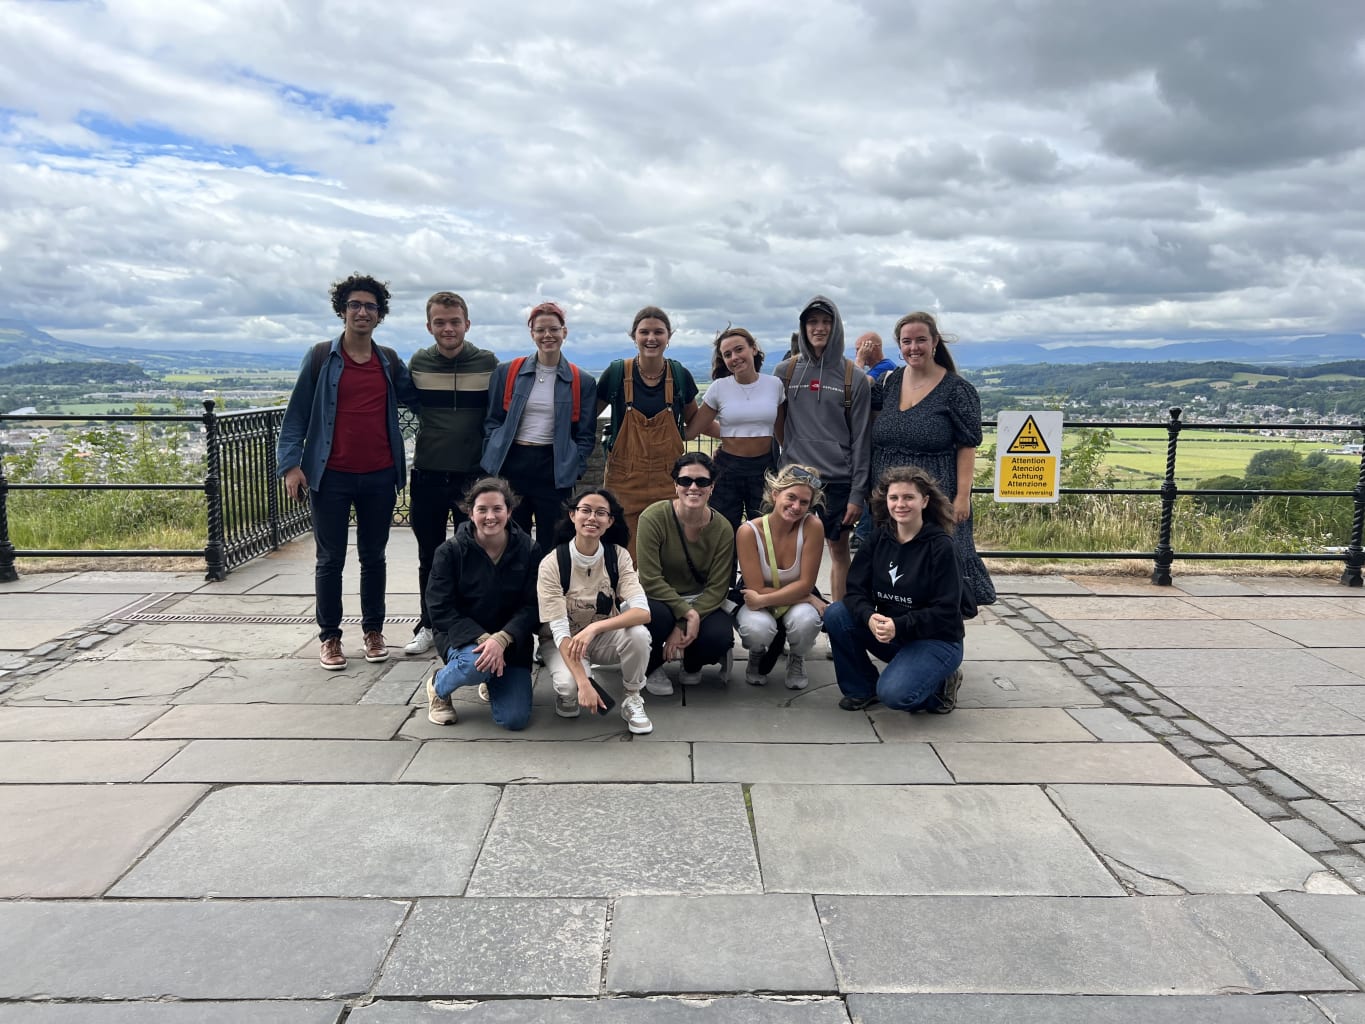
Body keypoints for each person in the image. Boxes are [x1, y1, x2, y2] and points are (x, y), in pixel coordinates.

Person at [278, 273, 417, 671]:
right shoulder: (322, 356)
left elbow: (420, 396)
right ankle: (331, 637)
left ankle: (373, 630)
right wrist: (290, 465)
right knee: (330, 559)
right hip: (330, 475)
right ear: (342, 311)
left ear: (379, 315)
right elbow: (297, 414)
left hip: (379, 474)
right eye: (355, 305)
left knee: (374, 557)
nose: (362, 311)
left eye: (370, 306)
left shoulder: (388, 360)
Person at [871, 312, 996, 607]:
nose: (913, 347)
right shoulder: (889, 383)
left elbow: (967, 445)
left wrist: (963, 496)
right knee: (896, 564)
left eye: (921, 340)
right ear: (898, 346)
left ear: (935, 342)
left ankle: (941, 632)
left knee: (940, 564)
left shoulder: (957, 390)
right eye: (906, 341)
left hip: (937, 494)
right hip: (891, 497)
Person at [825, 465, 966, 714]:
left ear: (924, 501)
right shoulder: (878, 539)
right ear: (886, 501)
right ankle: (861, 688)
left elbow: (946, 611)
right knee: (837, 613)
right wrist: (869, 617)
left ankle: (942, 686)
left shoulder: (942, 547)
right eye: (894, 498)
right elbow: (855, 591)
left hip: (935, 639)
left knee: (895, 695)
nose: (900, 504)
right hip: (892, 633)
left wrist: (898, 625)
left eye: (908, 497)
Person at [404, 292, 499, 656]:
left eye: (454, 321)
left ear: (467, 324)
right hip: (428, 472)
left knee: (474, 554)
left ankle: (471, 627)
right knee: (429, 555)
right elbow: (412, 401)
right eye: (440, 322)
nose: (448, 328)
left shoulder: (487, 363)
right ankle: (428, 623)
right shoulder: (419, 363)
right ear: (429, 326)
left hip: (473, 478)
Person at [773, 295, 872, 602]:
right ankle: (793, 622)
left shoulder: (852, 377)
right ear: (803, 327)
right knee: (788, 552)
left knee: (839, 551)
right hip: (794, 480)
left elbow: (861, 439)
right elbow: (779, 423)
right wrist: (791, 451)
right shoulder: (786, 372)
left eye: (826, 322)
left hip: (837, 481)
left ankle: (838, 625)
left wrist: (857, 493)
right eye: (812, 322)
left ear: (836, 326)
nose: (819, 328)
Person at [423, 477, 540, 730]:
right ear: (470, 512)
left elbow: (534, 606)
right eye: (482, 509)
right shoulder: (450, 551)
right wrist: (483, 639)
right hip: (464, 638)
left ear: (509, 511)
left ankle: (492, 678)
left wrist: (502, 638)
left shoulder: (529, 550)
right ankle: (438, 686)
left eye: (497, 509)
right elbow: (439, 607)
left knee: (515, 720)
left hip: (510, 641)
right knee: (474, 665)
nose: (490, 516)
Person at [536, 486, 655, 735]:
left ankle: (633, 696)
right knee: (571, 689)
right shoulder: (552, 563)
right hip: (563, 642)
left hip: (601, 639)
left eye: (601, 513)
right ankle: (570, 692)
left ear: (610, 521)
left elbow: (643, 612)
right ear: (572, 515)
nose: (592, 518)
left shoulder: (618, 556)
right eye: (585, 511)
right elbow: (559, 631)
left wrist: (594, 627)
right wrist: (583, 682)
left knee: (639, 635)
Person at [482, 301, 597, 543]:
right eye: (541, 330)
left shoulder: (581, 381)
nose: (548, 335)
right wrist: (494, 449)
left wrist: (575, 465)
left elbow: (585, 434)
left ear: (564, 332)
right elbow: (493, 420)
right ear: (532, 333)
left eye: (554, 329)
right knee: (512, 540)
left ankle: (549, 583)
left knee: (554, 540)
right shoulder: (507, 372)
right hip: (513, 463)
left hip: (554, 468)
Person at [595, 306, 699, 557]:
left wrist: (737, 434)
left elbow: (694, 421)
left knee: (666, 546)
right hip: (624, 479)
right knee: (623, 548)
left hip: (668, 479)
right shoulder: (617, 373)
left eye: (658, 332)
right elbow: (588, 418)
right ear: (634, 336)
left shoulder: (680, 375)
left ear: (668, 337)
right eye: (644, 332)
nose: (651, 338)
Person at [635, 452, 737, 695]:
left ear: (711, 487)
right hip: (659, 598)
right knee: (656, 617)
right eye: (685, 481)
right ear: (675, 485)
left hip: (700, 599)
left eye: (701, 482)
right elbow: (649, 579)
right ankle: (652, 665)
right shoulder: (653, 517)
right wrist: (686, 614)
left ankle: (692, 662)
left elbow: (718, 587)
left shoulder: (722, 528)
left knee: (719, 637)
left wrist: (685, 620)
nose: (693, 487)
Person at [735, 464, 829, 689]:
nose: (796, 507)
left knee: (807, 620)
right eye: (791, 497)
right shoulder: (749, 531)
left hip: (778, 598)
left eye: (804, 502)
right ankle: (757, 652)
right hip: (763, 598)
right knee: (757, 628)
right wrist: (807, 597)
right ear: (775, 494)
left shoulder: (812, 526)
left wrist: (801, 595)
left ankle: (797, 655)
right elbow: (755, 589)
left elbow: (806, 584)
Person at [685, 326, 786, 530]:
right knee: (722, 532)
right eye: (727, 354)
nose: (734, 357)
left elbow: (782, 432)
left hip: (765, 467)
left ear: (754, 349)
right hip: (727, 468)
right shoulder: (719, 388)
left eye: (739, 349)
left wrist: (787, 466)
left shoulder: (774, 385)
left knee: (765, 531)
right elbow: (693, 430)